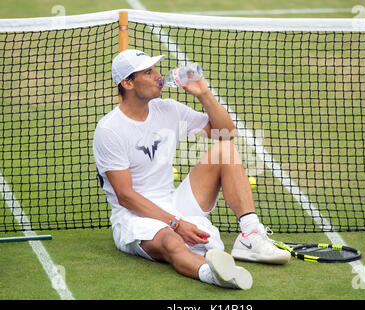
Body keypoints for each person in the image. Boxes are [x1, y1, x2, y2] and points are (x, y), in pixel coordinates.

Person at [93, 49, 290, 290]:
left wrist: (204, 94)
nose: (158, 76)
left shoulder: (168, 109)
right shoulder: (110, 130)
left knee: (225, 150)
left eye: (155, 69)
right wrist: (176, 224)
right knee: (171, 241)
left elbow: (226, 133)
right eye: (148, 72)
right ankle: (213, 275)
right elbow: (125, 196)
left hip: (172, 201)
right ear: (128, 83)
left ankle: (250, 236)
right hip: (134, 217)